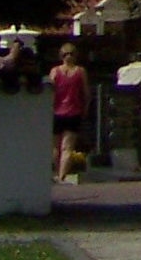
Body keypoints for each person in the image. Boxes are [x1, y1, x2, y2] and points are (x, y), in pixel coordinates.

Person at [49, 41, 93, 182]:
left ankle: (56, 173)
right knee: (67, 148)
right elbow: (86, 93)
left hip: (56, 112)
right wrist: (85, 109)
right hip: (74, 112)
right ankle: (62, 176)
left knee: (55, 147)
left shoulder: (55, 71)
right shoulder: (80, 71)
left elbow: (50, 92)